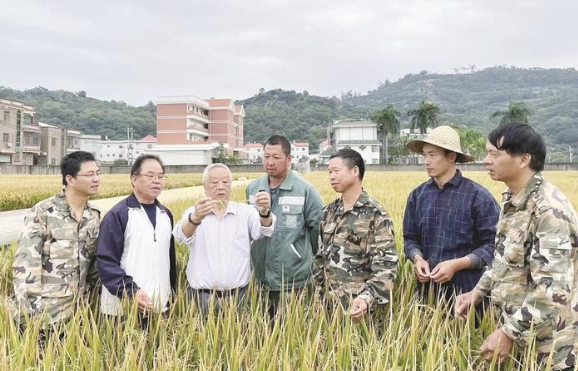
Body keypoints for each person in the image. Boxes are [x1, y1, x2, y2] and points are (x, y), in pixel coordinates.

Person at [455, 123, 577, 370]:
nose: (486, 160)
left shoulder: (548, 211)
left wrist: (508, 333)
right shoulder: (512, 201)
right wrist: (478, 292)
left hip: (549, 346)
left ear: (523, 159)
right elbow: (503, 261)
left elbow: (553, 289)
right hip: (521, 335)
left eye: (494, 154)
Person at [403, 126, 500, 310]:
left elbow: (494, 244)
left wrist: (457, 264)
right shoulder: (417, 196)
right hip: (427, 295)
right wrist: (417, 259)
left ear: (451, 157)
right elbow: (410, 238)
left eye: (432, 155)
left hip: (468, 297)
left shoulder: (478, 197)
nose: (426, 161)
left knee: (469, 338)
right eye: (425, 155)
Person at [11, 151, 101, 333]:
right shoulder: (43, 212)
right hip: (44, 315)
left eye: (98, 173)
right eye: (90, 174)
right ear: (70, 179)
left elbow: (94, 267)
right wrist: (29, 315)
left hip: (78, 315)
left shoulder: (94, 216)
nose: (96, 179)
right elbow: (26, 264)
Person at [173, 163, 275, 314]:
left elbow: (264, 230)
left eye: (225, 182)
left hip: (239, 296)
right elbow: (181, 236)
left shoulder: (245, 212)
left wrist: (265, 211)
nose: (221, 187)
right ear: (204, 186)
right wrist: (196, 217)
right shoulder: (194, 212)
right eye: (214, 183)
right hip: (200, 298)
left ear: (231, 185)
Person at [313, 149, 397, 319]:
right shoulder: (328, 212)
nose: (331, 176)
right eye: (329, 172)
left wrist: (367, 298)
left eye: (336, 171)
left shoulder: (376, 214)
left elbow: (386, 266)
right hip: (328, 311)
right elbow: (320, 260)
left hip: (360, 311)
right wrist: (317, 299)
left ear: (355, 171)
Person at [246, 135, 324, 318]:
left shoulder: (305, 190)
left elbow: (318, 235)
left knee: (292, 336)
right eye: (266, 156)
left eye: (276, 157)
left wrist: (304, 261)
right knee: (260, 336)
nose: (270, 162)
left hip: (292, 281)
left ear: (289, 159)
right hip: (258, 279)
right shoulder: (253, 188)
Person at [97, 154, 176, 325]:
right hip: (122, 309)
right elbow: (106, 262)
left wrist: (170, 298)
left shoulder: (166, 215)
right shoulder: (118, 214)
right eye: (150, 176)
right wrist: (131, 292)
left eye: (161, 176)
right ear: (134, 179)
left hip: (158, 306)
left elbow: (169, 261)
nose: (157, 181)